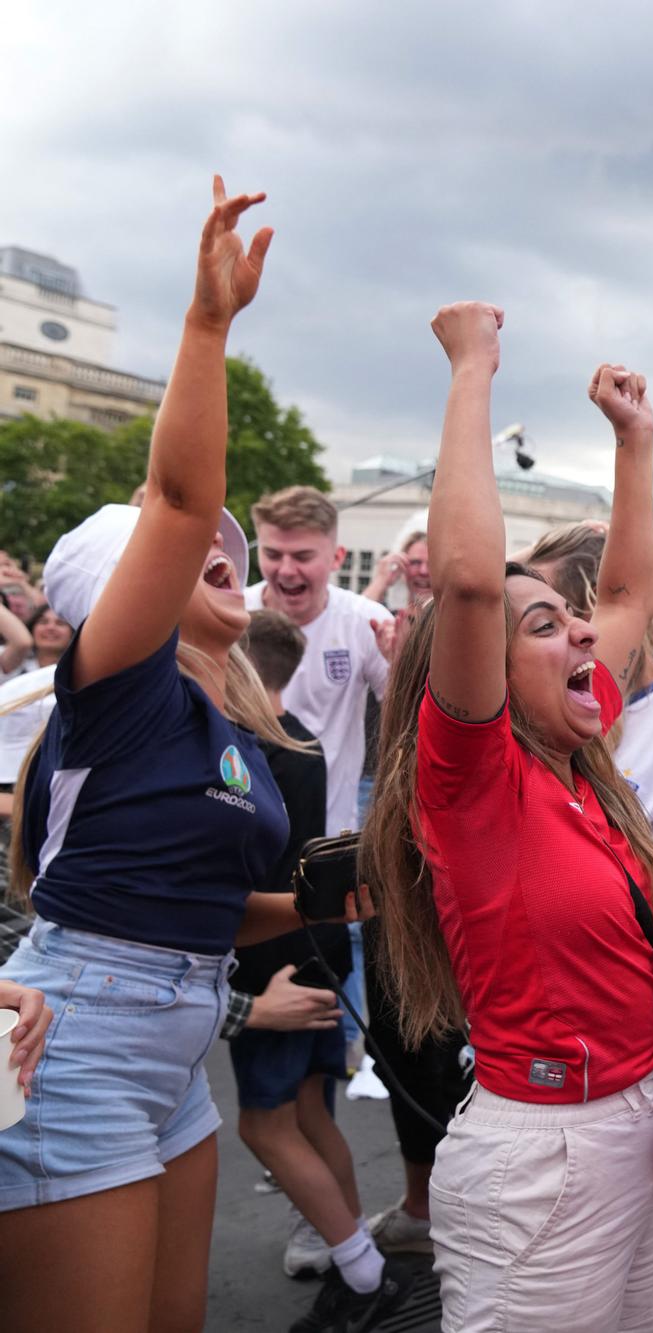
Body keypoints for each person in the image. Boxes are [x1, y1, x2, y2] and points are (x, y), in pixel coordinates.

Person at [0, 179, 412, 1333]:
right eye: (196, 553)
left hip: (176, 1047)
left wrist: (334, 903)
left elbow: (206, 911)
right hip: (76, 1040)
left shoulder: (225, 731)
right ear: (116, 598)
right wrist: (207, 326)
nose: (223, 552)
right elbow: (183, 495)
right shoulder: (114, 686)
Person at [365, 306, 653, 1330]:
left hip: (636, 1135)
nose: (586, 633)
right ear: (485, 672)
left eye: (576, 618)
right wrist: (474, 367)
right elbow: (467, 582)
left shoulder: (576, 768)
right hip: (540, 1157)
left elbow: (633, 592)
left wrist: (634, 444)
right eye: (546, 625)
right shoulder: (474, 782)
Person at [523, 517, 653, 1309]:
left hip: (626, 976)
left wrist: (586, 931)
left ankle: (642, 1259)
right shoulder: (544, 706)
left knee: (624, 1155)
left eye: (555, 610)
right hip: (526, 993)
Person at [228, 609, 388, 1300]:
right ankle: (346, 1235)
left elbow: (249, 868)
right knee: (311, 1111)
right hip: (319, 942)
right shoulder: (306, 740)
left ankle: (359, 1265)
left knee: (266, 1122)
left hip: (275, 960)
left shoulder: (247, 747)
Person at [246, 484, 393, 837]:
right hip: (239, 828)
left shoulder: (365, 622)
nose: (286, 570)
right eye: (272, 554)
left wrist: (401, 664)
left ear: (337, 558)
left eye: (302, 556)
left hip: (325, 834)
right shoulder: (232, 613)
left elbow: (406, 727)